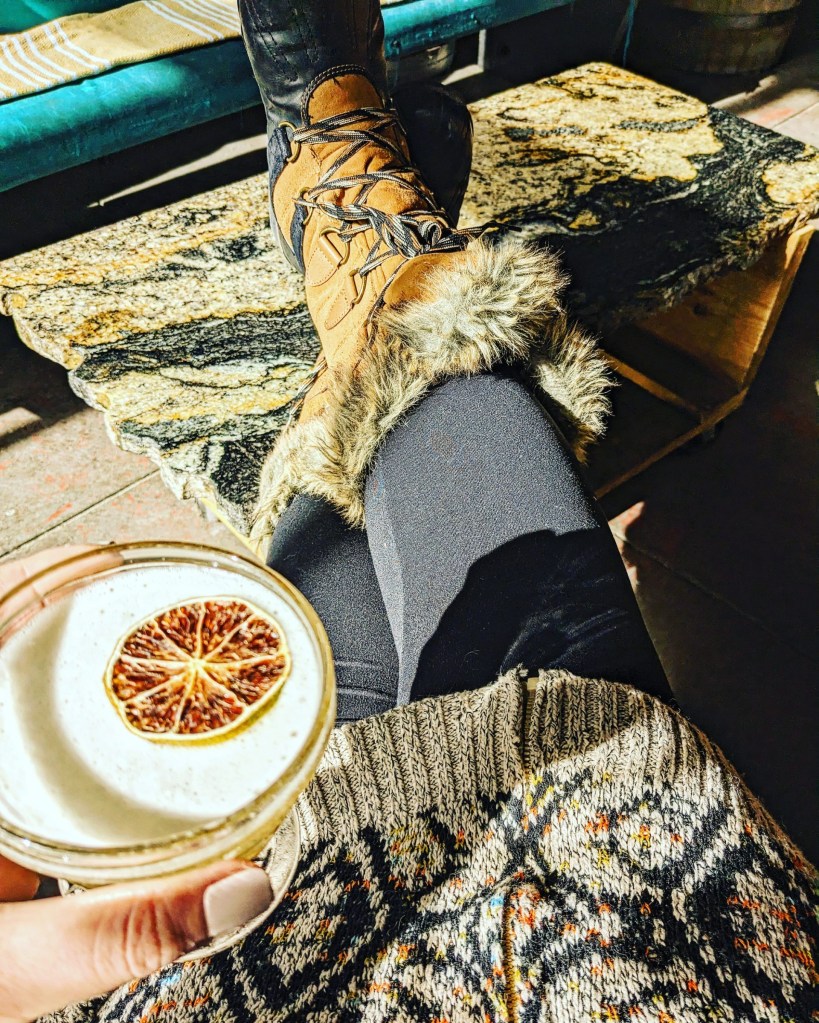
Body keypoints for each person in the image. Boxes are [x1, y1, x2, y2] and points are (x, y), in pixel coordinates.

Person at [1, 2, 815, 1020]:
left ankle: (361, 245)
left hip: (252, 945)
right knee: (450, 405)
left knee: (311, 650)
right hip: (612, 899)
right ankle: (377, 246)